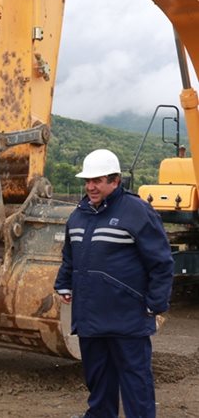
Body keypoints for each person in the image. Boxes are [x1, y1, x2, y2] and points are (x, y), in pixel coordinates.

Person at [54, 149, 174, 418]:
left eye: (97, 181)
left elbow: (161, 262)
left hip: (128, 317)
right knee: (98, 382)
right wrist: (64, 283)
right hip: (90, 318)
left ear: (115, 181)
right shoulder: (78, 215)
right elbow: (70, 256)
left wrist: (155, 304)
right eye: (87, 181)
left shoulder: (137, 211)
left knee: (135, 381)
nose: (90, 187)